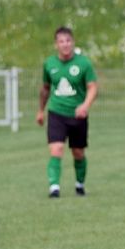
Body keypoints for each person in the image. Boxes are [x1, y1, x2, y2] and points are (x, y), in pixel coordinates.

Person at [36, 26, 98, 198]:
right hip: (56, 113)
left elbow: (93, 87)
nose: (65, 44)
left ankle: (80, 184)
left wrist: (85, 105)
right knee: (56, 149)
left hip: (77, 115)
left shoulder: (84, 63)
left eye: (68, 41)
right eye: (61, 41)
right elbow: (45, 88)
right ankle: (54, 187)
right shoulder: (49, 64)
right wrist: (40, 110)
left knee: (78, 152)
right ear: (56, 44)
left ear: (73, 42)